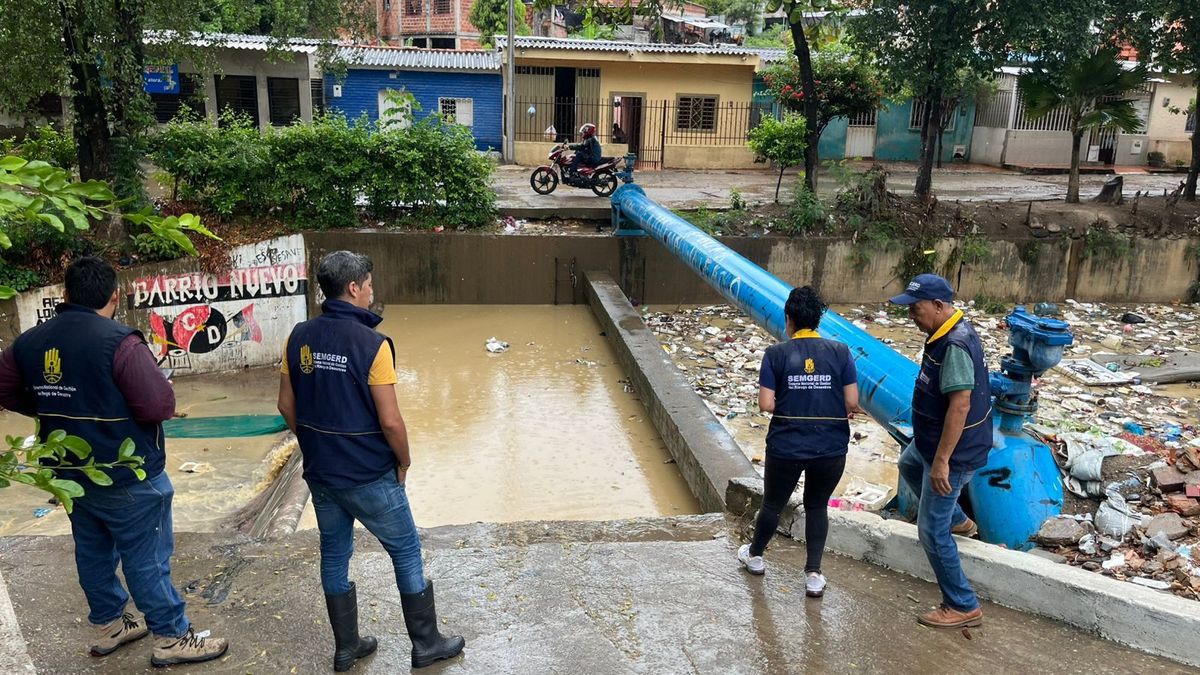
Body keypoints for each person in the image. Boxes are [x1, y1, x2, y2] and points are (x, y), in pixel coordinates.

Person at [0, 256, 227, 667]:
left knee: (92, 549)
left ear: (64, 295)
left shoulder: (31, 341)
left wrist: (46, 407)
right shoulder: (120, 341)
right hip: (126, 474)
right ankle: (172, 636)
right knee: (147, 558)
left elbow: (4, 387)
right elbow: (157, 404)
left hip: (69, 473)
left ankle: (110, 625)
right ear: (114, 296)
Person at [277, 251, 464, 672]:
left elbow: (285, 404)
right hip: (369, 475)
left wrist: (313, 443)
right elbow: (391, 421)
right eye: (370, 284)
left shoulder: (297, 336)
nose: (372, 291)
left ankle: (347, 648)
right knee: (406, 552)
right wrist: (404, 462)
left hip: (322, 475)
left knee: (334, 554)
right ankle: (426, 644)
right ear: (354, 288)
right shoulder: (374, 346)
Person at [737, 286, 860, 598]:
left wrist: (794, 402)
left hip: (786, 446)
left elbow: (765, 404)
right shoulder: (841, 351)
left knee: (773, 504)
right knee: (817, 506)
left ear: (789, 319)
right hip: (830, 447)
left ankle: (755, 556)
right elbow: (852, 400)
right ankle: (814, 575)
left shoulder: (776, 354)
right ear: (817, 320)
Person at [889, 273, 993, 629]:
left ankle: (962, 604)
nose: (911, 316)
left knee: (930, 532)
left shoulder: (954, 346)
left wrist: (943, 462)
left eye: (915, 309)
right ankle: (959, 521)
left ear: (937, 306)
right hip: (929, 442)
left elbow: (960, 406)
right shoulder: (943, 334)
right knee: (907, 463)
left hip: (953, 451)